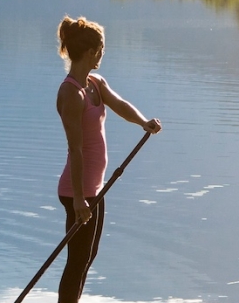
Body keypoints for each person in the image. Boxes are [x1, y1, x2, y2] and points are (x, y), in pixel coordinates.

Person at [54, 15, 162, 302]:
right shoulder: (71, 93)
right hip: (76, 191)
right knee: (77, 260)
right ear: (90, 52)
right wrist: (78, 199)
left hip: (95, 188)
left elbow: (120, 105)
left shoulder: (95, 83)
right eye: (100, 49)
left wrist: (143, 122)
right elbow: (75, 150)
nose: (102, 55)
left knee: (87, 257)